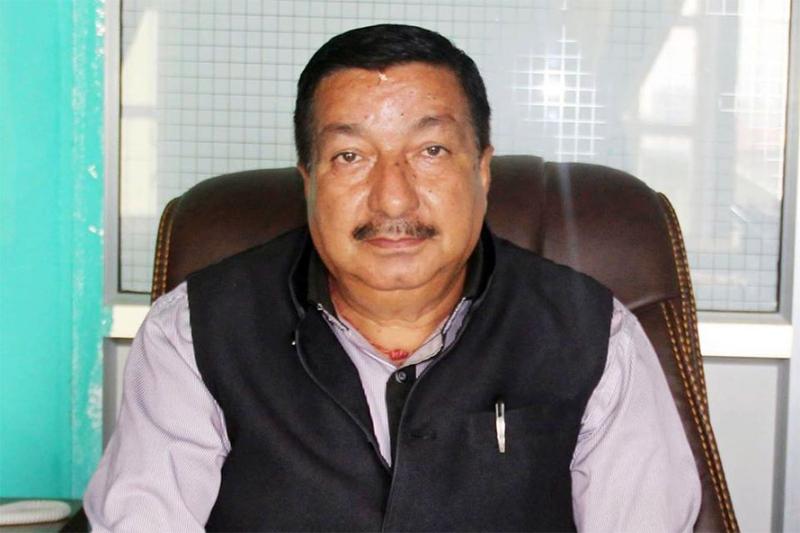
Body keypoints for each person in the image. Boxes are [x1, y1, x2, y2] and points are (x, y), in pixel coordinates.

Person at [85, 24, 700, 531]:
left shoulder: (593, 337)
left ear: (482, 171)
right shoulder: (192, 334)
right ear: (309, 181)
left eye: (431, 151)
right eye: (350, 156)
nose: (393, 199)